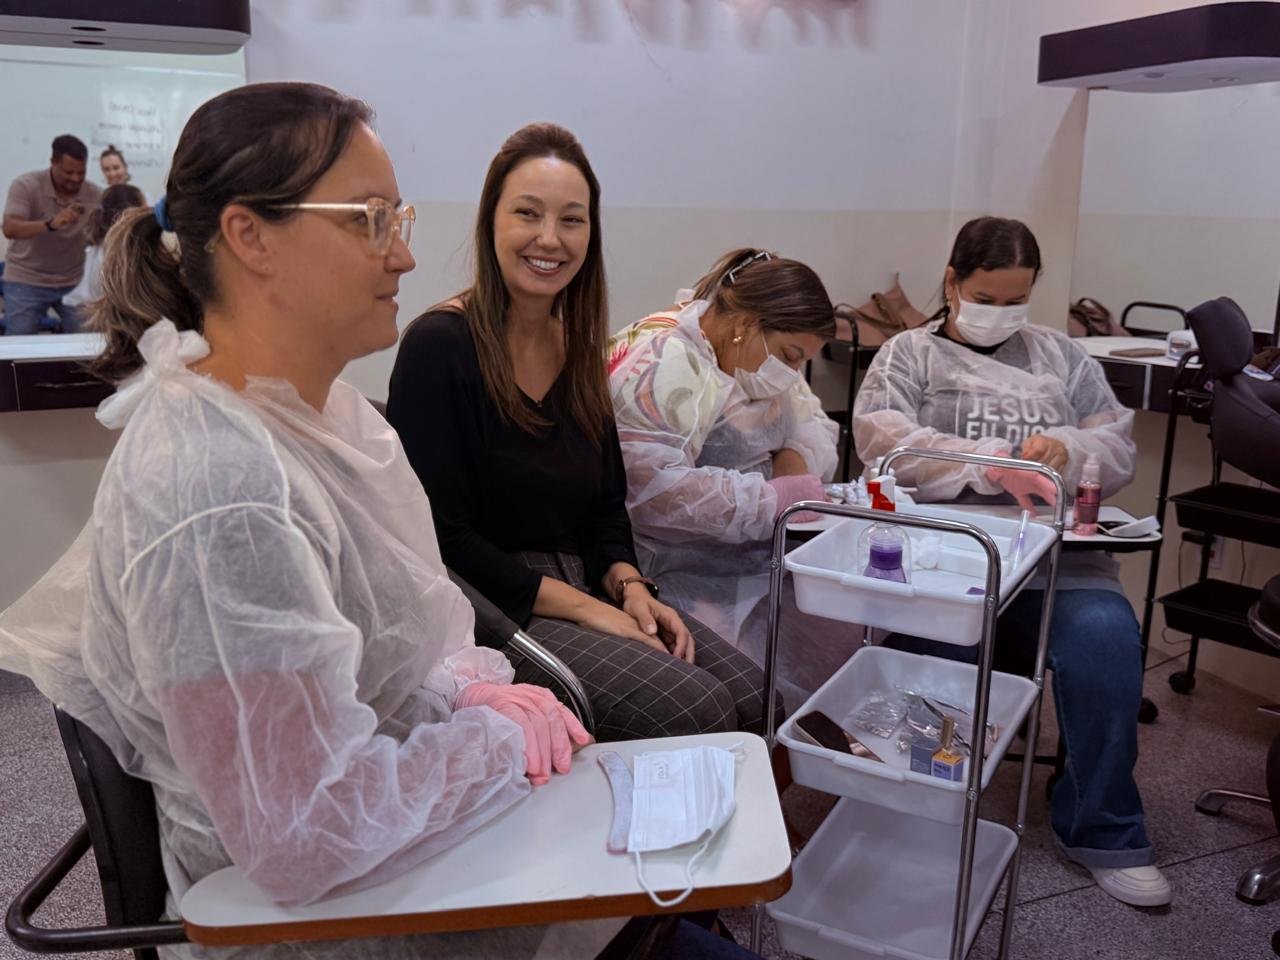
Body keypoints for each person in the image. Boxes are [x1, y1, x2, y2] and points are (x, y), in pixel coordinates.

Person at [387, 124, 770, 741]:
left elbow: (605, 507)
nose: (550, 238)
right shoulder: (439, 346)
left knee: (756, 696)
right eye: (527, 213)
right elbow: (442, 538)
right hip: (491, 603)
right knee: (697, 710)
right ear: (491, 221)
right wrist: (590, 609)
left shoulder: (579, 348)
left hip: (581, 582)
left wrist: (629, 586)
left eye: (572, 219)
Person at [852, 216, 1171, 907]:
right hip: (949, 560)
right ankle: (924, 819)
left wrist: (1067, 449)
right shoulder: (909, 355)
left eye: (1016, 300)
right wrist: (992, 463)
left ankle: (1104, 829)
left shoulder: (1061, 357)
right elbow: (883, 445)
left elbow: (1117, 445)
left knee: (1107, 641)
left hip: (1058, 563)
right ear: (953, 281)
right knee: (937, 651)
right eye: (986, 298)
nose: (1001, 312)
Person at [607, 249, 854, 710]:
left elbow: (814, 425)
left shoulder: (755, 360)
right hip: (673, 570)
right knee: (743, 695)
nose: (792, 373)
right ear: (746, 323)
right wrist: (770, 500)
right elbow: (650, 490)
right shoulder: (665, 360)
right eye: (791, 356)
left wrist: (794, 459)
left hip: (753, 558)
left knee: (849, 629)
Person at [1, 134, 102, 334]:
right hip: (27, 280)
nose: (76, 178)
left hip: (74, 281)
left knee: (87, 341)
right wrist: (50, 224)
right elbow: (10, 228)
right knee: (20, 342)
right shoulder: (25, 186)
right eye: (69, 172)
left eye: (81, 172)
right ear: (53, 163)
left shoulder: (95, 194)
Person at [63, 183, 146, 311]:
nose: (148, 210)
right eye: (144, 206)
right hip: (96, 311)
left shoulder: (103, 244)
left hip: (87, 307)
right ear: (132, 213)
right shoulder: (118, 253)